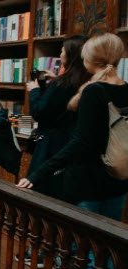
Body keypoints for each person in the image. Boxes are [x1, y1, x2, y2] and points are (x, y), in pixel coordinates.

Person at [18, 33, 128, 269]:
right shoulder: (124, 90)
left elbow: (80, 143)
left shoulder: (93, 92)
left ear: (91, 59)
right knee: (104, 248)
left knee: (84, 252)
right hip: (118, 182)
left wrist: (38, 173)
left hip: (89, 182)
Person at [25, 35, 89, 197]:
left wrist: (34, 91)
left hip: (51, 145)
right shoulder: (86, 81)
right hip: (73, 145)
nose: (60, 53)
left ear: (70, 54)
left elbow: (39, 112)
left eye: (62, 50)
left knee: (42, 191)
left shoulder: (61, 84)